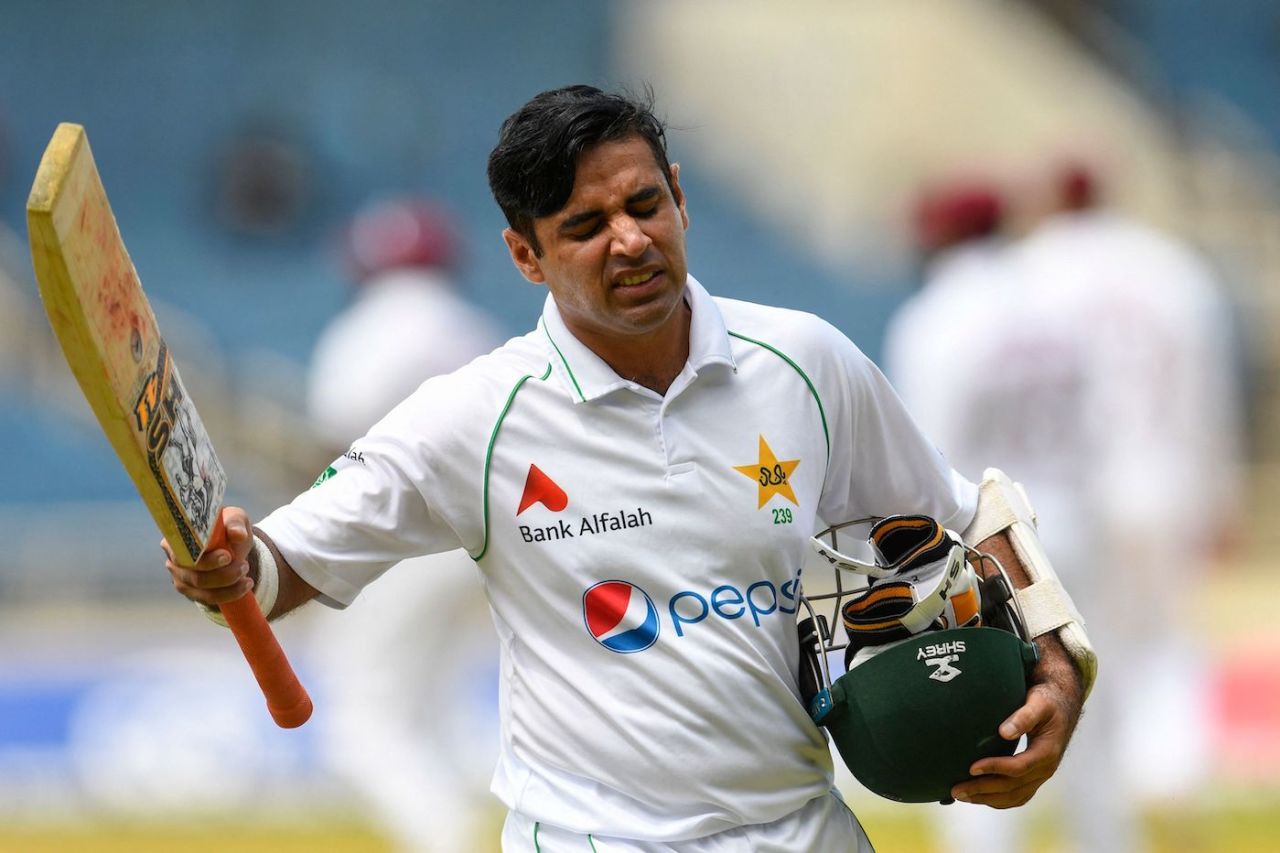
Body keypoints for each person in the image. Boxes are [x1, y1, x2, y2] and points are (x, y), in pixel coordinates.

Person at [163, 85, 1089, 852]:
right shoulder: (474, 415)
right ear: (525, 255)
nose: (632, 239)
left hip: (805, 828)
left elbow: (971, 517)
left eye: (645, 204)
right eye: (585, 225)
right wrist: (228, 563)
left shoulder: (806, 360)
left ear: (679, 196)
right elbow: (277, 568)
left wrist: (1057, 669)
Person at [885, 167, 1241, 853]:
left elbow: (928, 452)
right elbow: (1100, 421)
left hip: (988, 534)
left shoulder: (937, 318)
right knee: (1086, 696)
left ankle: (986, 845)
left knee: (978, 705)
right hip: (1077, 519)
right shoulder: (1048, 306)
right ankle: (1107, 838)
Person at [304, 196, 507, 852]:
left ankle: (451, 842)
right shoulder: (474, 328)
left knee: (360, 727)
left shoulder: (364, 330)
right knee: (437, 713)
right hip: (483, 537)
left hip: (398, 543)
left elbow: (334, 447)